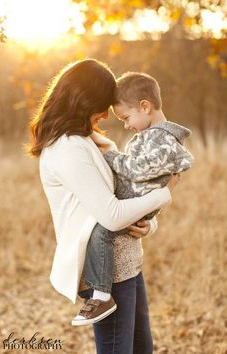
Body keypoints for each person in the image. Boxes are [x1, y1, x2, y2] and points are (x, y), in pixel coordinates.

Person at [27, 59, 179, 354]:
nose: (107, 116)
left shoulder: (87, 139)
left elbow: (128, 193)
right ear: (83, 101)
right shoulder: (67, 149)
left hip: (128, 265)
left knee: (141, 350)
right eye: (103, 106)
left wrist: (150, 224)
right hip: (106, 278)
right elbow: (111, 215)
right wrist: (166, 193)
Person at [74, 71, 194, 327]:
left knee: (102, 231)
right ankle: (95, 289)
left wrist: (108, 156)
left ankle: (101, 295)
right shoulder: (152, 136)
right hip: (141, 199)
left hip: (138, 199)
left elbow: (139, 170)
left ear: (145, 106)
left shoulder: (162, 139)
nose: (126, 125)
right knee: (97, 231)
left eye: (126, 118)